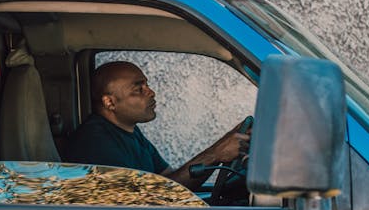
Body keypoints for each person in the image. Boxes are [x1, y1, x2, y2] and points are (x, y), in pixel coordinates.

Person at [64, 60, 251, 189]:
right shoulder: (95, 144)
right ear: (109, 103)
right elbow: (151, 203)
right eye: (139, 89)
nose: (151, 92)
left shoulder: (128, 131)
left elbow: (169, 181)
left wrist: (222, 150)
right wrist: (215, 153)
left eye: (147, 85)